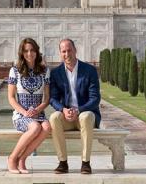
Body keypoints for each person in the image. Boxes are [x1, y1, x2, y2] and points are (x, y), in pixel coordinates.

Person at [48, 38, 100, 175]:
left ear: (75, 50)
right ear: (60, 53)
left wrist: (79, 110)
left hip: (84, 115)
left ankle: (85, 163)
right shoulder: (56, 73)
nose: (67, 54)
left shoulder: (89, 70)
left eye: (69, 50)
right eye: (63, 51)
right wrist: (63, 110)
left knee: (87, 115)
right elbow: (52, 98)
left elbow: (95, 98)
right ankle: (63, 162)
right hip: (67, 116)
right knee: (54, 117)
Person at [6, 37, 52, 174]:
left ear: (37, 52)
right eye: (26, 51)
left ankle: (22, 159)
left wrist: (38, 110)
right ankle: (12, 158)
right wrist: (24, 112)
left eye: (32, 50)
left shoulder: (44, 71)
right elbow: (11, 97)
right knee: (35, 127)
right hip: (21, 115)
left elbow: (47, 98)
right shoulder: (15, 70)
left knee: (47, 127)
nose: (29, 54)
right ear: (22, 53)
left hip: (38, 113)